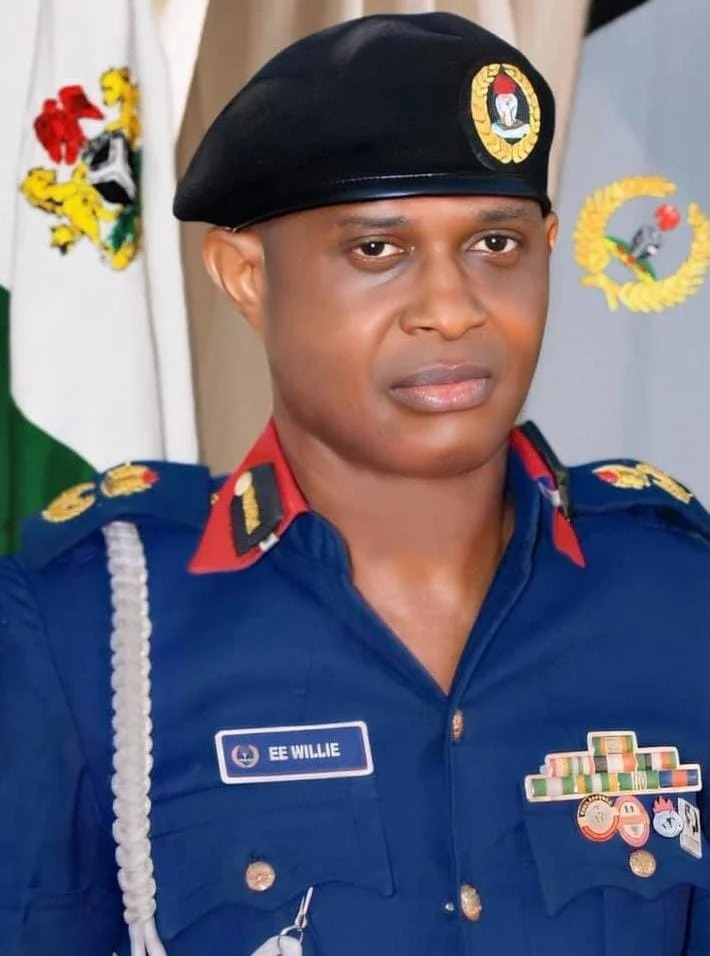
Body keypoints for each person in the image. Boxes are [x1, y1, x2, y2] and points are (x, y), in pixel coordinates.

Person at [1, 12, 709, 956]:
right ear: (246, 277)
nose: (452, 310)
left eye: (495, 245)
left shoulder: (678, 595)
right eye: (378, 250)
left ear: (547, 247)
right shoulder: (88, 628)